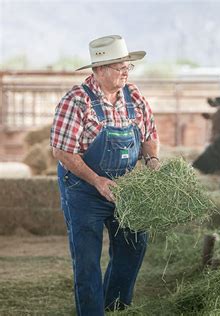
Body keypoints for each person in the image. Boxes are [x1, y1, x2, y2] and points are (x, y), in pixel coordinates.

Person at [50, 34, 159, 315]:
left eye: (127, 66)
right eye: (119, 66)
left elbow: (149, 135)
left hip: (125, 189)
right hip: (84, 191)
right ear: (98, 70)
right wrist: (97, 181)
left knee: (134, 247)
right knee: (87, 261)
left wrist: (153, 160)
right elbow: (63, 152)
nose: (125, 71)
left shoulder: (133, 96)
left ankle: (115, 309)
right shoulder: (76, 101)